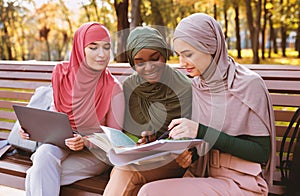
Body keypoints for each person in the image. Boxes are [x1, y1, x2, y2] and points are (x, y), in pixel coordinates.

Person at [137, 13, 276, 196]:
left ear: (211, 47)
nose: (182, 63)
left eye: (188, 54)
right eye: (179, 55)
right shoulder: (198, 86)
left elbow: (261, 152)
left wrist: (201, 131)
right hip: (204, 174)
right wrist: (188, 154)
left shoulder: (248, 84)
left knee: (150, 192)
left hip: (241, 182)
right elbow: (204, 141)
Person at [19, 22, 125, 196]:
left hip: (95, 153)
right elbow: (55, 111)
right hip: (63, 143)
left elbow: (115, 138)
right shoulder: (62, 73)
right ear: (79, 48)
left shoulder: (113, 88)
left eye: (106, 47)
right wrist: (32, 128)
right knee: (43, 156)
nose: (102, 54)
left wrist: (85, 141)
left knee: (37, 173)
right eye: (93, 47)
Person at [103, 26, 195, 196]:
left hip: (175, 161)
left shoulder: (184, 87)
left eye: (155, 58)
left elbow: (188, 136)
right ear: (132, 63)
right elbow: (128, 132)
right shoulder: (130, 86)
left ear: (164, 55)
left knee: (125, 171)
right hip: (140, 158)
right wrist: (141, 141)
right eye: (140, 62)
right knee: (125, 171)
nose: (149, 67)